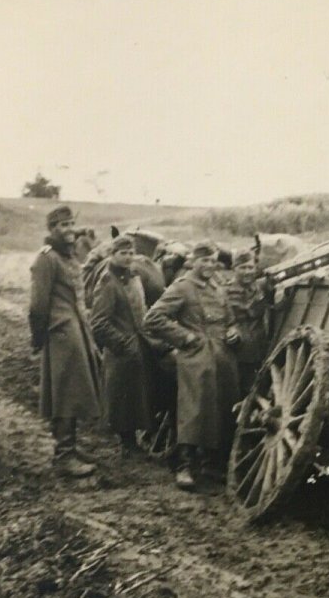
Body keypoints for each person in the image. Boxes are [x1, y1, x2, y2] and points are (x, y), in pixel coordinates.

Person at [142, 241, 239, 491]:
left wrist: (233, 330)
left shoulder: (218, 286)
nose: (209, 265)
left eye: (213, 261)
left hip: (222, 356)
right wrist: (184, 337)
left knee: (220, 409)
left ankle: (210, 465)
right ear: (193, 261)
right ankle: (183, 466)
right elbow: (153, 318)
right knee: (193, 409)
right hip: (196, 356)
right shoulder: (183, 287)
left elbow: (230, 318)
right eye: (204, 260)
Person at [29, 205, 103, 478]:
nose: (69, 229)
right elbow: (38, 305)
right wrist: (38, 337)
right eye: (62, 225)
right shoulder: (46, 259)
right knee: (65, 392)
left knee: (73, 390)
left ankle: (69, 446)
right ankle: (63, 455)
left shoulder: (68, 256)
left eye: (71, 224)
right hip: (61, 333)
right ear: (52, 229)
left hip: (76, 330)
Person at [90, 235, 155, 458]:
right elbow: (99, 323)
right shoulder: (108, 282)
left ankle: (135, 442)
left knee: (137, 396)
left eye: (131, 253)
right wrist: (122, 344)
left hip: (138, 344)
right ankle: (127, 444)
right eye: (122, 253)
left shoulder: (134, 277)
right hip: (121, 350)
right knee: (123, 399)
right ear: (112, 254)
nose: (128, 257)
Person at [224, 249, 271, 399]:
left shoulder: (259, 287)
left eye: (250, 267)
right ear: (234, 268)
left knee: (259, 388)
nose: (247, 272)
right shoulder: (224, 291)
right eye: (242, 267)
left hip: (259, 347)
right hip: (236, 351)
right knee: (235, 392)